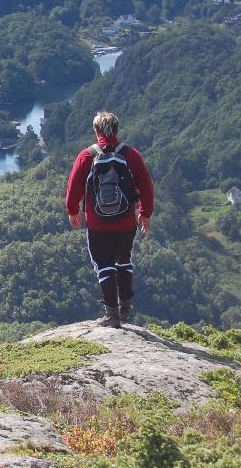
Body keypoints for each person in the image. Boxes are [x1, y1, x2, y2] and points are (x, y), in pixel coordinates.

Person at [65, 111, 154, 328]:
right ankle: (125, 308)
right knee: (124, 259)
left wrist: (73, 210)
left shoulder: (87, 156)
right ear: (117, 129)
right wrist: (145, 212)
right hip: (126, 223)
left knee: (104, 265)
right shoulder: (131, 155)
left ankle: (112, 315)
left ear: (96, 131)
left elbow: (74, 187)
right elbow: (146, 185)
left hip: (98, 223)